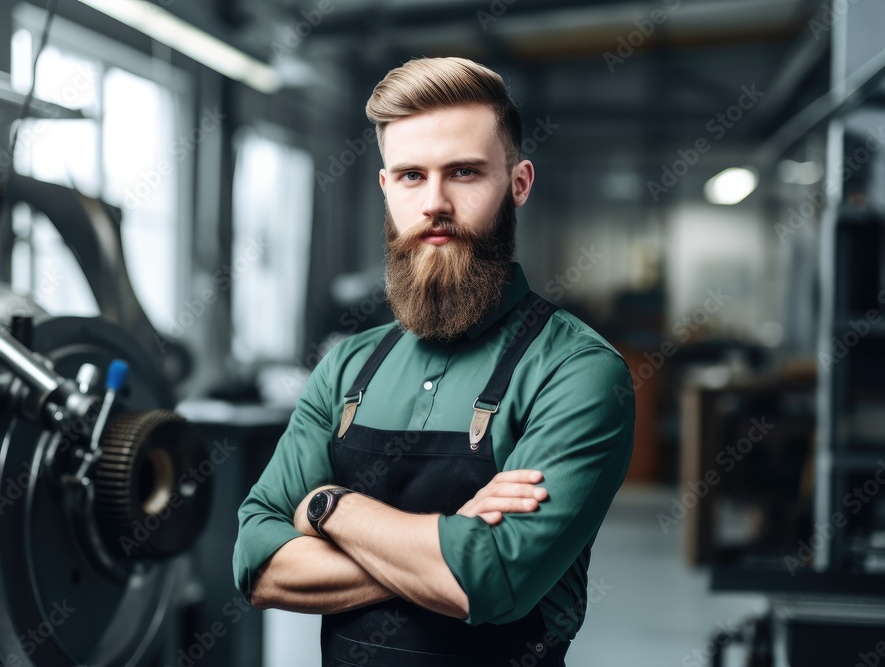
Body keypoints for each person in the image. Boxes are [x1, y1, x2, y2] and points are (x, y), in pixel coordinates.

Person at [233, 57, 634, 667]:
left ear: (519, 183)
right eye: (412, 175)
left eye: (465, 172)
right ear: (386, 187)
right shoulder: (347, 368)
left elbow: (488, 581)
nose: (435, 203)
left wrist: (326, 506)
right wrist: (446, 539)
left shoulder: (577, 373)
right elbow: (258, 562)